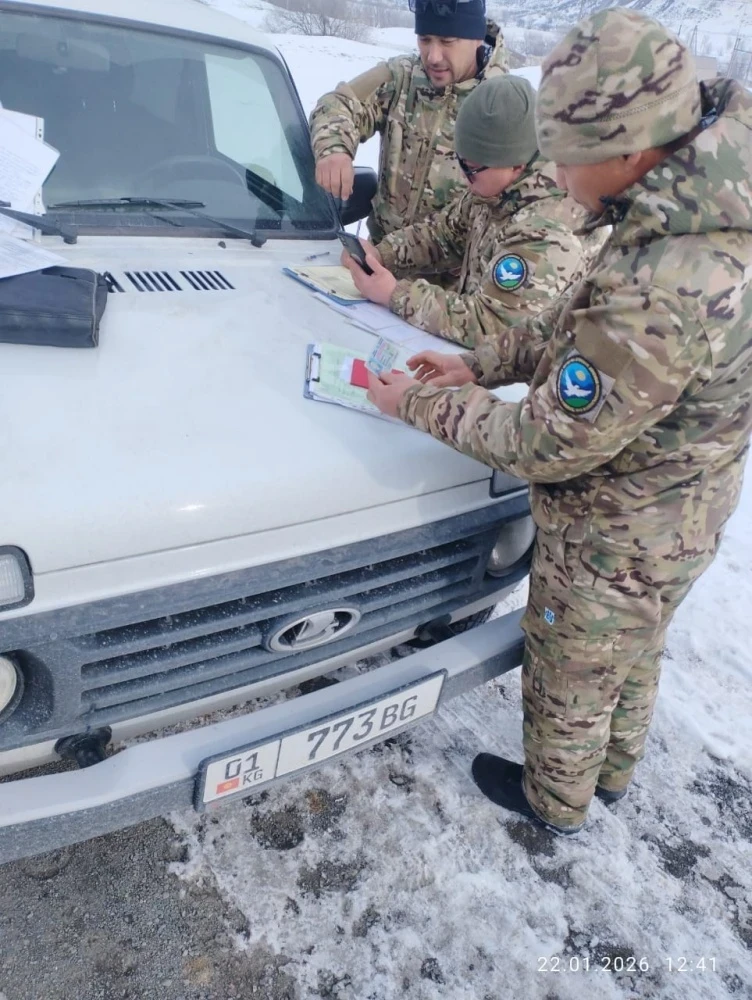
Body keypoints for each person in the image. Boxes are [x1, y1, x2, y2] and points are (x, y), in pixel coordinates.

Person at [363, 8, 752, 834]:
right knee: (637, 646)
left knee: (572, 662)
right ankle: (611, 775)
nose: (560, 177)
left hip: (616, 527)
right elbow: (580, 325)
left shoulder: (669, 278)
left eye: (570, 158)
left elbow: (548, 440)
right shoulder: (689, 208)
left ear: (628, 147)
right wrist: (482, 364)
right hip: (681, 505)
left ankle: (555, 804)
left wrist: (418, 401)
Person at [340, 75, 588, 349]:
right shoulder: (495, 187)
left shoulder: (549, 227)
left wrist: (395, 295)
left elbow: (495, 325)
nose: (463, 174)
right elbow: (443, 235)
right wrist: (382, 254)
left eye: (472, 167)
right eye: (460, 160)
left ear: (517, 164)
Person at [309, 0, 509, 260]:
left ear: (475, 38)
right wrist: (334, 149)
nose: (433, 56)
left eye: (447, 41)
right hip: (378, 262)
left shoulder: (505, 104)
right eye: (425, 40)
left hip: (451, 290)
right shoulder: (402, 78)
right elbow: (338, 103)